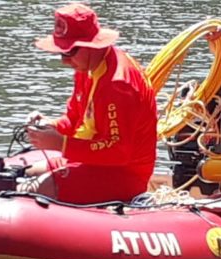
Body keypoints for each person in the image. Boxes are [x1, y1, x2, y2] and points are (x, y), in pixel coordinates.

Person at [23, 3, 157, 204]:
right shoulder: (86, 69)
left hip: (124, 175)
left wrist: (61, 144)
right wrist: (50, 126)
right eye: (61, 53)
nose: (64, 61)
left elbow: (119, 152)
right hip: (93, 161)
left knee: (39, 187)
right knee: (25, 171)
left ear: (90, 46)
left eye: (69, 52)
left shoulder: (118, 86)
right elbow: (74, 120)